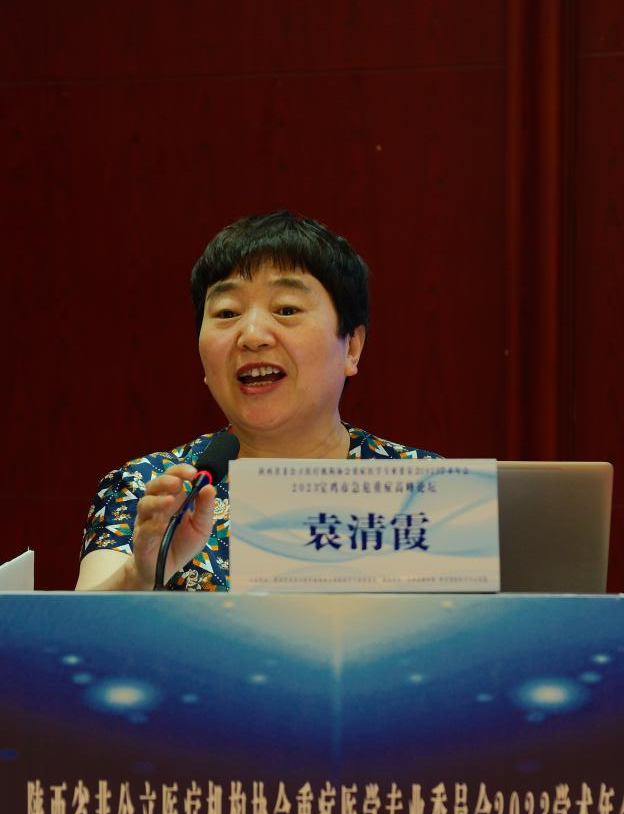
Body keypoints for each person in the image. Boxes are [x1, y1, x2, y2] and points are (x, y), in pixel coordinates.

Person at [76, 210, 441, 592]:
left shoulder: (426, 488)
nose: (251, 335)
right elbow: (80, 628)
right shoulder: (154, 489)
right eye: (227, 313)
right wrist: (140, 575)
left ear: (351, 346)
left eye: (286, 310)